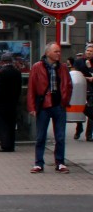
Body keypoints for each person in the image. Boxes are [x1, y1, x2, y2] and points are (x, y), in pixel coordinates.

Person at [27, 42, 73, 173]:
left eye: (59, 51)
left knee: (60, 136)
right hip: (44, 106)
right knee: (40, 136)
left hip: (59, 105)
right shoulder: (37, 67)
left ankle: (60, 162)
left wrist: (65, 100)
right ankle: (38, 163)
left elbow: (68, 85)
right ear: (47, 53)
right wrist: (32, 107)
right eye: (56, 51)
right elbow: (32, 88)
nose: (59, 54)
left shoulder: (63, 67)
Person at [0, 51, 22, 152]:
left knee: (3, 125)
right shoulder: (17, 72)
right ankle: (11, 145)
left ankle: (5, 145)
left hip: (2, 103)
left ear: (2, 61)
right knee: (11, 124)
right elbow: (19, 88)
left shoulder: (1, 73)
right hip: (13, 102)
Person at [71, 43, 93, 141]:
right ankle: (79, 129)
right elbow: (75, 74)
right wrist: (87, 78)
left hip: (91, 90)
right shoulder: (79, 62)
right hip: (80, 89)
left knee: (91, 112)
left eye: (91, 51)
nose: (89, 52)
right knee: (80, 109)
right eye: (87, 51)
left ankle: (89, 134)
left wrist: (89, 68)